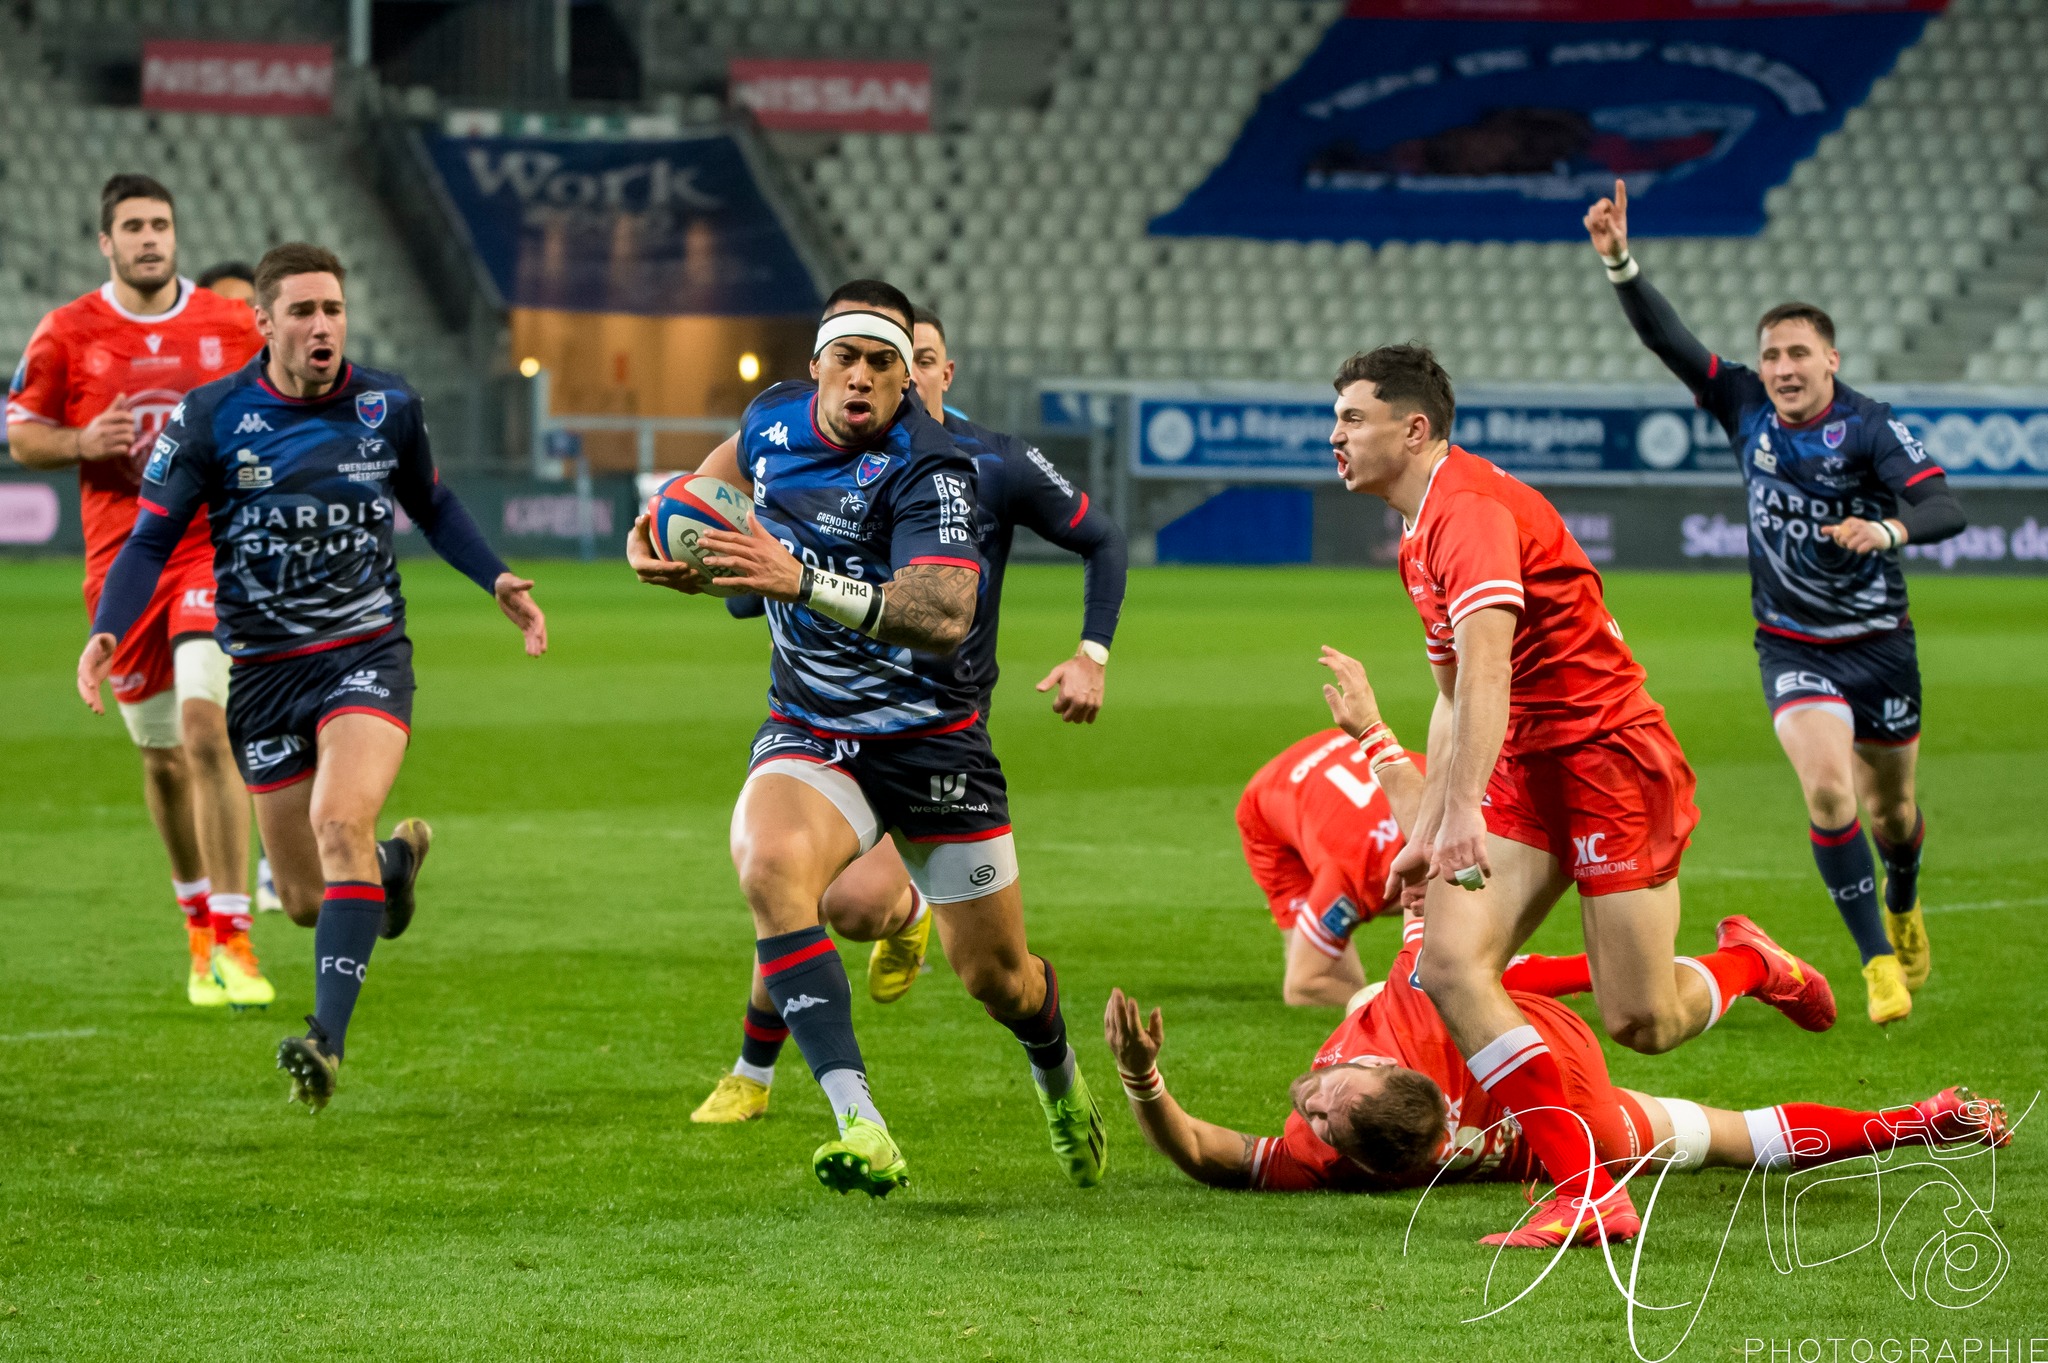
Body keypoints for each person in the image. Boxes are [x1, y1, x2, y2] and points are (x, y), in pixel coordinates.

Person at [1329, 343, 1837, 1248]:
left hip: (1607, 760)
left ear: (1413, 430)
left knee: (1642, 1020)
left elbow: (1488, 673)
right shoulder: (1419, 531)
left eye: (1351, 419)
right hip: (1530, 767)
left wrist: (1459, 812)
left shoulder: (1470, 512)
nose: (1335, 436)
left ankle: (1751, 963)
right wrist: (1434, 822)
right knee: (1445, 966)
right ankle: (1589, 1192)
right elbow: (1450, 700)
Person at [626, 280, 1105, 1196]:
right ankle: (861, 1122)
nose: (862, 377)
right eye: (846, 357)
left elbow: (943, 612)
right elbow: (701, 489)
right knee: (771, 867)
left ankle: (1058, 1075)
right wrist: (654, 543)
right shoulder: (769, 421)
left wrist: (795, 577)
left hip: (934, 744)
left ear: (907, 382)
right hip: (810, 726)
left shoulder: (935, 466)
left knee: (999, 979)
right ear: (814, 365)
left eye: (884, 363)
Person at [74, 242, 547, 1111]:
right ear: (263, 322)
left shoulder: (387, 404)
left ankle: (324, 1042)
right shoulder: (212, 416)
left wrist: (498, 579)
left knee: (337, 820)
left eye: (332, 309)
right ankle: (393, 866)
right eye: (302, 311)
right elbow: (146, 539)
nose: (322, 326)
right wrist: (110, 630)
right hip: (260, 674)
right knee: (301, 898)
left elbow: (433, 504)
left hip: (364, 657)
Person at [1586, 180, 1967, 1027]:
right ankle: (1876, 963)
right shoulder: (1745, 406)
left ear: (1831, 360)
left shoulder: (1869, 427)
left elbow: (1946, 508)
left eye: (1799, 354)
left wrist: (1889, 531)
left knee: (1891, 812)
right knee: (1830, 797)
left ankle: (1903, 898)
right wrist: (1619, 261)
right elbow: (1671, 342)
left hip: (1879, 645)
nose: (1784, 369)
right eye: (1772, 355)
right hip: (1793, 647)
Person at [1105, 915, 2009, 1199]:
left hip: (1529, 1059)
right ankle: (1753, 964)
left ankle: (1747, 966)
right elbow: (1218, 1154)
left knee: (1624, 1006)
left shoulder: (1352, 1132)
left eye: (1318, 1106)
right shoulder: (1412, 1034)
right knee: (1724, 1132)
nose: (1305, 1106)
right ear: (1378, 1074)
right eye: (1321, 1112)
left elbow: (1209, 1153)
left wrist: (1144, 1078)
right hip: (1552, 1098)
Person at [7, 174, 270, 1009]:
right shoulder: (67, 332)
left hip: (207, 553)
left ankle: (237, 937)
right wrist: (81, 438)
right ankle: (198, 931)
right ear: (106, 242)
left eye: (162, 223)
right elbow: (21, 434)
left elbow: (281, 405)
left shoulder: (228, 324)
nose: (151, 237)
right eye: (134, 227)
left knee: (206, 724)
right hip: (122, 564)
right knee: (161, 758)